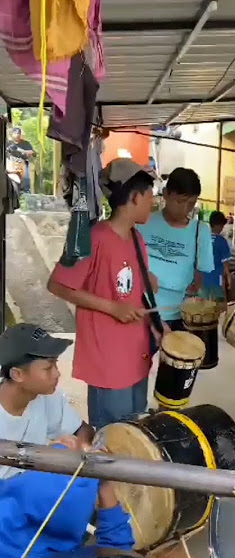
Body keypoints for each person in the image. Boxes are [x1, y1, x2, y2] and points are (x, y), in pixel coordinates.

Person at [0, 323, 133, 558]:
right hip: (14, 514)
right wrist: (50, 460)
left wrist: (78, 447)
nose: (58, 374)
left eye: (56, 365)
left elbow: (83, 430)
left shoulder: (46, 396)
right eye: (48, 368)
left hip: (41, 498)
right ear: (17, 374)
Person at [48, 158, 157, 430]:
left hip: (136, 355)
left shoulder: (137, 238)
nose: (153, 203)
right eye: (149, 196)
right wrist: (112, 308)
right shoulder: (92, 238)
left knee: (133, 434)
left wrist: (156, 324)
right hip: (108, 359)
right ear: (134, 198)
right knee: (111, 438)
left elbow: (135, 291)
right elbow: (58, 284)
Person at [141, 167, 214, 330]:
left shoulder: (200, 231)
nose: (184, 209)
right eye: (180, 201)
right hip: (141, 312)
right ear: (166, 194)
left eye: (191, 203)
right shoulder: (143, 221)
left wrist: (195, 290)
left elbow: (200, 274)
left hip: (178, 317)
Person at [200, 211, 231, 301]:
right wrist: (229, 278)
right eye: (222, 226)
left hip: (201, 279)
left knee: (203, 305)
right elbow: (226, 264)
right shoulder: (221, 241)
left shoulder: (201, 239)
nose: (222, 228)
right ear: (218, 225)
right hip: (216, 280)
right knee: (218, 305)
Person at [7, 127, 36, 193]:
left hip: (22, 162)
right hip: (11, 162)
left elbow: (32, 152)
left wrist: (20, 150)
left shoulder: (25, 143)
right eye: (15, 133)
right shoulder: (9, 143)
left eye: (18, 133)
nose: (17, 135)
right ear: (12, 134)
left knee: (26, 178)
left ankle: (26, 191)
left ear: (20, 135)